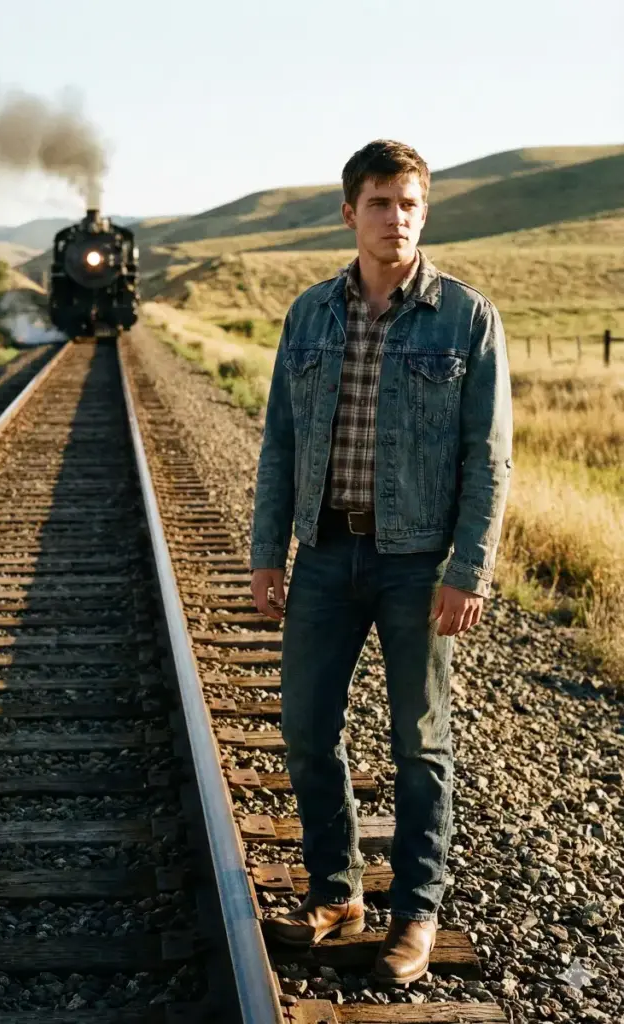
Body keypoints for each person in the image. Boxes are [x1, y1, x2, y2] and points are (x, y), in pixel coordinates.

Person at [249, 139, 513, 985]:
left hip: (415, 562)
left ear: (422, 213)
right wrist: (267, 556)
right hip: (324, 552)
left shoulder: (464, 317)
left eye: (407, 203)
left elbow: (489, 456)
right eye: (378, 202)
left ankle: (415, 914)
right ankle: (336, 893)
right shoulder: (310, 314)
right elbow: (279, 447)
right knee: (304, 733)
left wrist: (467, 568)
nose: (394, 218)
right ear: (348, 213)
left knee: (419, 744)